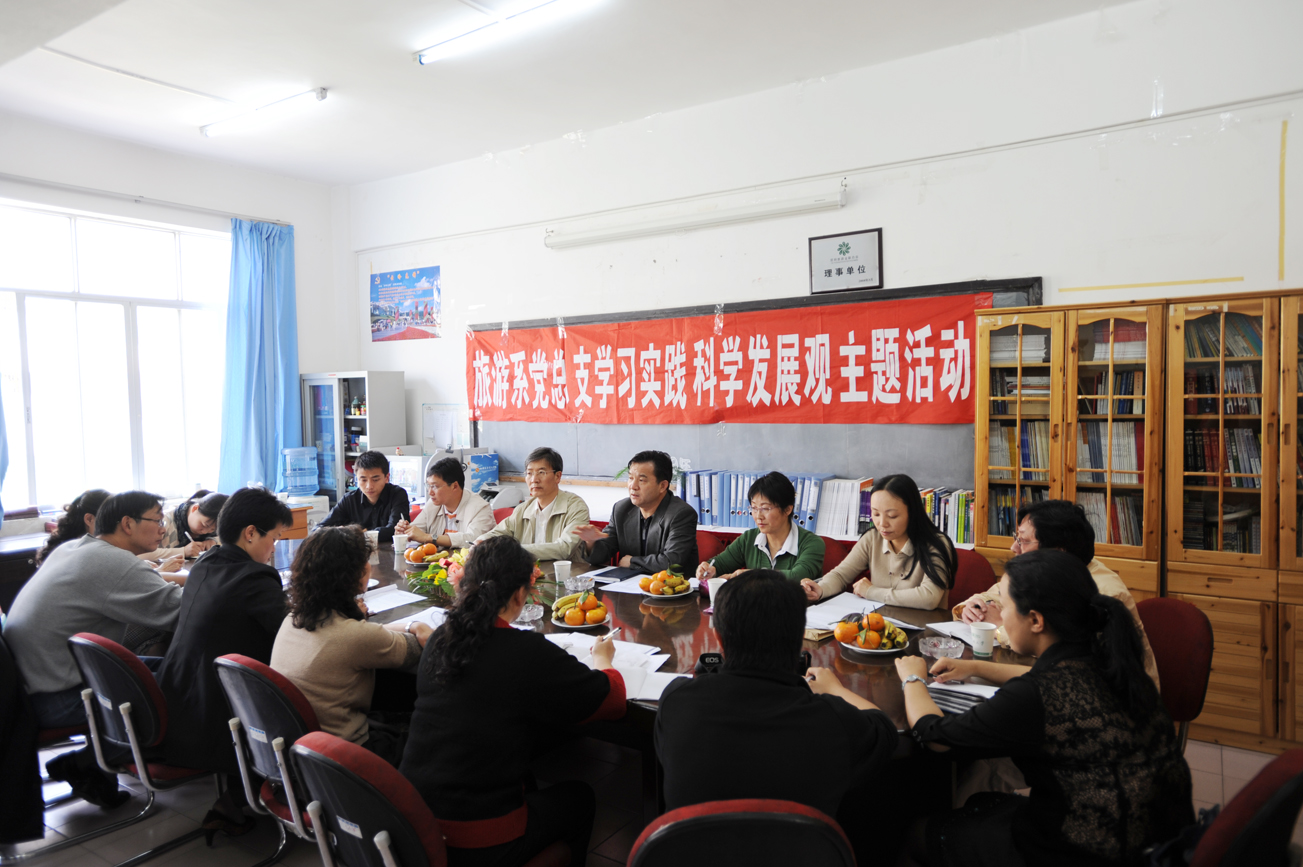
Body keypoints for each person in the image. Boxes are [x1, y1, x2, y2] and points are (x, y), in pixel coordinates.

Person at [894, 550, 1193, 867]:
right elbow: (1043, 676)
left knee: (918, 834)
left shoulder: (1034, 695)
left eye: (1004, 607)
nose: (999, 614)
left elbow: (935, 736)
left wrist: (913, 678)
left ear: (1036, 620)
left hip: (1077, 852)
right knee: (984, 802)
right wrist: (975, 667)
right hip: (1158, 848)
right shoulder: (1117, 666)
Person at [401, 536, 624, 867]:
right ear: (520, 594)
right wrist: (603, 659)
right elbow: (613, 700)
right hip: (479, 837)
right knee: (580, 798)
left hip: (412, 825)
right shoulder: (524, 651)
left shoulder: (439, 639)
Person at [656, 570, 897, 818]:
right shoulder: (831, 721)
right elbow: (885, 730)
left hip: (690, 844)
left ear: (718, 637)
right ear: (800, 637)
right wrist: (837, 690)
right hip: (804, 844)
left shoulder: (676, 702)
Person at [2, 491, 183, 808]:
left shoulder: (75, 548)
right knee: (181, 688)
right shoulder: (113, 562)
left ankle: (94, 765)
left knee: (172, 669)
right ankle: (86, 762)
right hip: (52, 697)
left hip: (27, 687)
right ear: (127, 524)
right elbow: (182, 611)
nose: (163, 528)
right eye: (157, 520)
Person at [155, 487, 293, 837]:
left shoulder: (207, 562)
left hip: (175, 702)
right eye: (274, 538)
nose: (274, 548)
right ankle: (244, 797)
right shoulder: (255, 577)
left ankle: (235, 798)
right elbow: (292, 635)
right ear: (251, 533)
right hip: (215, 723)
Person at [271, 526, 432, 766]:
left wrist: (409, 625)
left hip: (301, 753)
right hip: (345, 760)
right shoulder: (355, 636)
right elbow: (418, 648)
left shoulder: (293, 619)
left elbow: (362, 635)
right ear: (357, 573)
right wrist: (417, 626)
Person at [956, 499, 1159, 688]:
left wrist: (1000, 628)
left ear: (1057, 552)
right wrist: (975, 606)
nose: (1014, 547)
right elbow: (996, 594)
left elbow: (1067, 664)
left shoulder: (1100, 592)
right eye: (1016, 537)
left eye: (1023, 540)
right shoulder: (1046, 574)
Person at [801, 474, 957, 610]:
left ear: (912, 512)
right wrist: (820, 589)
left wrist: (871, 592)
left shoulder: (936, 544)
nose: (882, 524)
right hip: (880, 624)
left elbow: (929, 598)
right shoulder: (872, 538)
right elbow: (841, 575)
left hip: (924, 629)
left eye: (892, 516)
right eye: (875, 514)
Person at [574, 450, 698, 574]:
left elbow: (671, 563)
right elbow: (601, 555)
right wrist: (591, 542)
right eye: (630, 478)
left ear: (662, 486)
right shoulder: (621, 509)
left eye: (642, 480)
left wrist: (632, 562)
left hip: (669, 585)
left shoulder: (681, 514)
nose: (633, 486)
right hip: (629, 584)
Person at [695, 472, 824, 583]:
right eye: (754, 508)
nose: (758, 516)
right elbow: (720, 564)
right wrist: (710, 569)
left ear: (787, 509)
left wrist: (752, 575)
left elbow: (798, 576)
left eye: (765, 508)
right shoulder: (749, 538)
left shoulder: (812, 543)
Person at [475, 447, 589, 562]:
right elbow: (497, 533)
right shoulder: (522, 509)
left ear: (557, 476)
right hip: (529, 571)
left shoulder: (576, 507)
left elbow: (564, 549)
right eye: (529, 473)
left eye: (541, 472)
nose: (534, 479)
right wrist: (481, 542)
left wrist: (513, 551)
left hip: (566, 572)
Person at [396, 457, 495, 549]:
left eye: (435, 486)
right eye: (428, 486)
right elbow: (416, 532)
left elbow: (473, 539)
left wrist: (429, 537)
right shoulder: (433, 504)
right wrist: (404, 532)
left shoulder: (480, 508)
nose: (430, 492)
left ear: (454, 486)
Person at [320, 450, 412, 545]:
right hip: (357, 552)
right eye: (363, 480)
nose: (369, 486)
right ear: (357, 479)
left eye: (375, 480)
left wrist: (353, 534)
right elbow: (319, 529)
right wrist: (337, 532)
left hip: (390, 551)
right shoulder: (349, 500)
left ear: (387, 478)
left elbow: (394, 529)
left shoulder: (397, 495)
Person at [138, 490, 229, 562]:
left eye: (212, 529)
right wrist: (183, 551)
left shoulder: (213, 527)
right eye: (204, 525)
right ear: (195, 508)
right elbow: (141, 554)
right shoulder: (164, 522)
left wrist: (213, 540)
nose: (205, 531)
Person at [34, 488, 110, 567]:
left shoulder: (68, 544)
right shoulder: (82, 553)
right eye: (109, 519)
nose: (113, 527)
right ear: (89, 519)